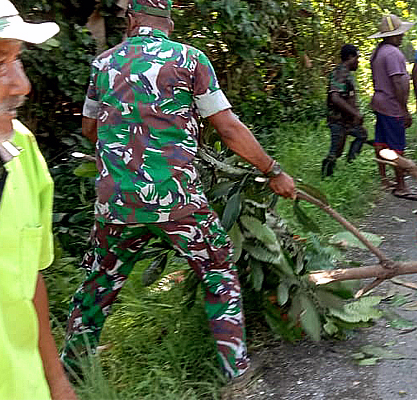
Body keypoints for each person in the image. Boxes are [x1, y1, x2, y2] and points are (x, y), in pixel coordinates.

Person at [61, 0, 296, 389]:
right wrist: (272, 170)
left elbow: (90, 127)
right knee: (219, 274)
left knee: (97, 286)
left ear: (132, 19)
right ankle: (237, 379)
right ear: (168, 22)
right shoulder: (190, 60)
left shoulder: (103, 64)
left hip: (117, 205)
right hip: (179, 204)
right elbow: (229, 129)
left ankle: (67, 377)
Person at [0, 0, 77, 399]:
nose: (21, 84)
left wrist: (56, 381)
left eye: (17, 60)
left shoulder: (22, 151)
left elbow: (28, 279)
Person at [369, 13, 416, 198]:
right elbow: (398, 82)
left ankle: (384, 178)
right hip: (391, 105)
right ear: (392, 35)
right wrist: (404, 109)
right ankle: (401, 185)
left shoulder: (378, 51)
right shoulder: (393, 53)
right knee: (397, 145)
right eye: (399, 34)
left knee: (380, 141)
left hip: (380, 102)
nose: (402, 36)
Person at [322, 44, 367, 177]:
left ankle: (351, 164)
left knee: (362, 135)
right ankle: (326, 176)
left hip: (347, 120)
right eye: (357, 58)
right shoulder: (340, 72)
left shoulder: (347, 74)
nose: (358, 61)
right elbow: (335, 97)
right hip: (338, 120)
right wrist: (355, 113)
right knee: (336, 151)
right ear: (349, 57)